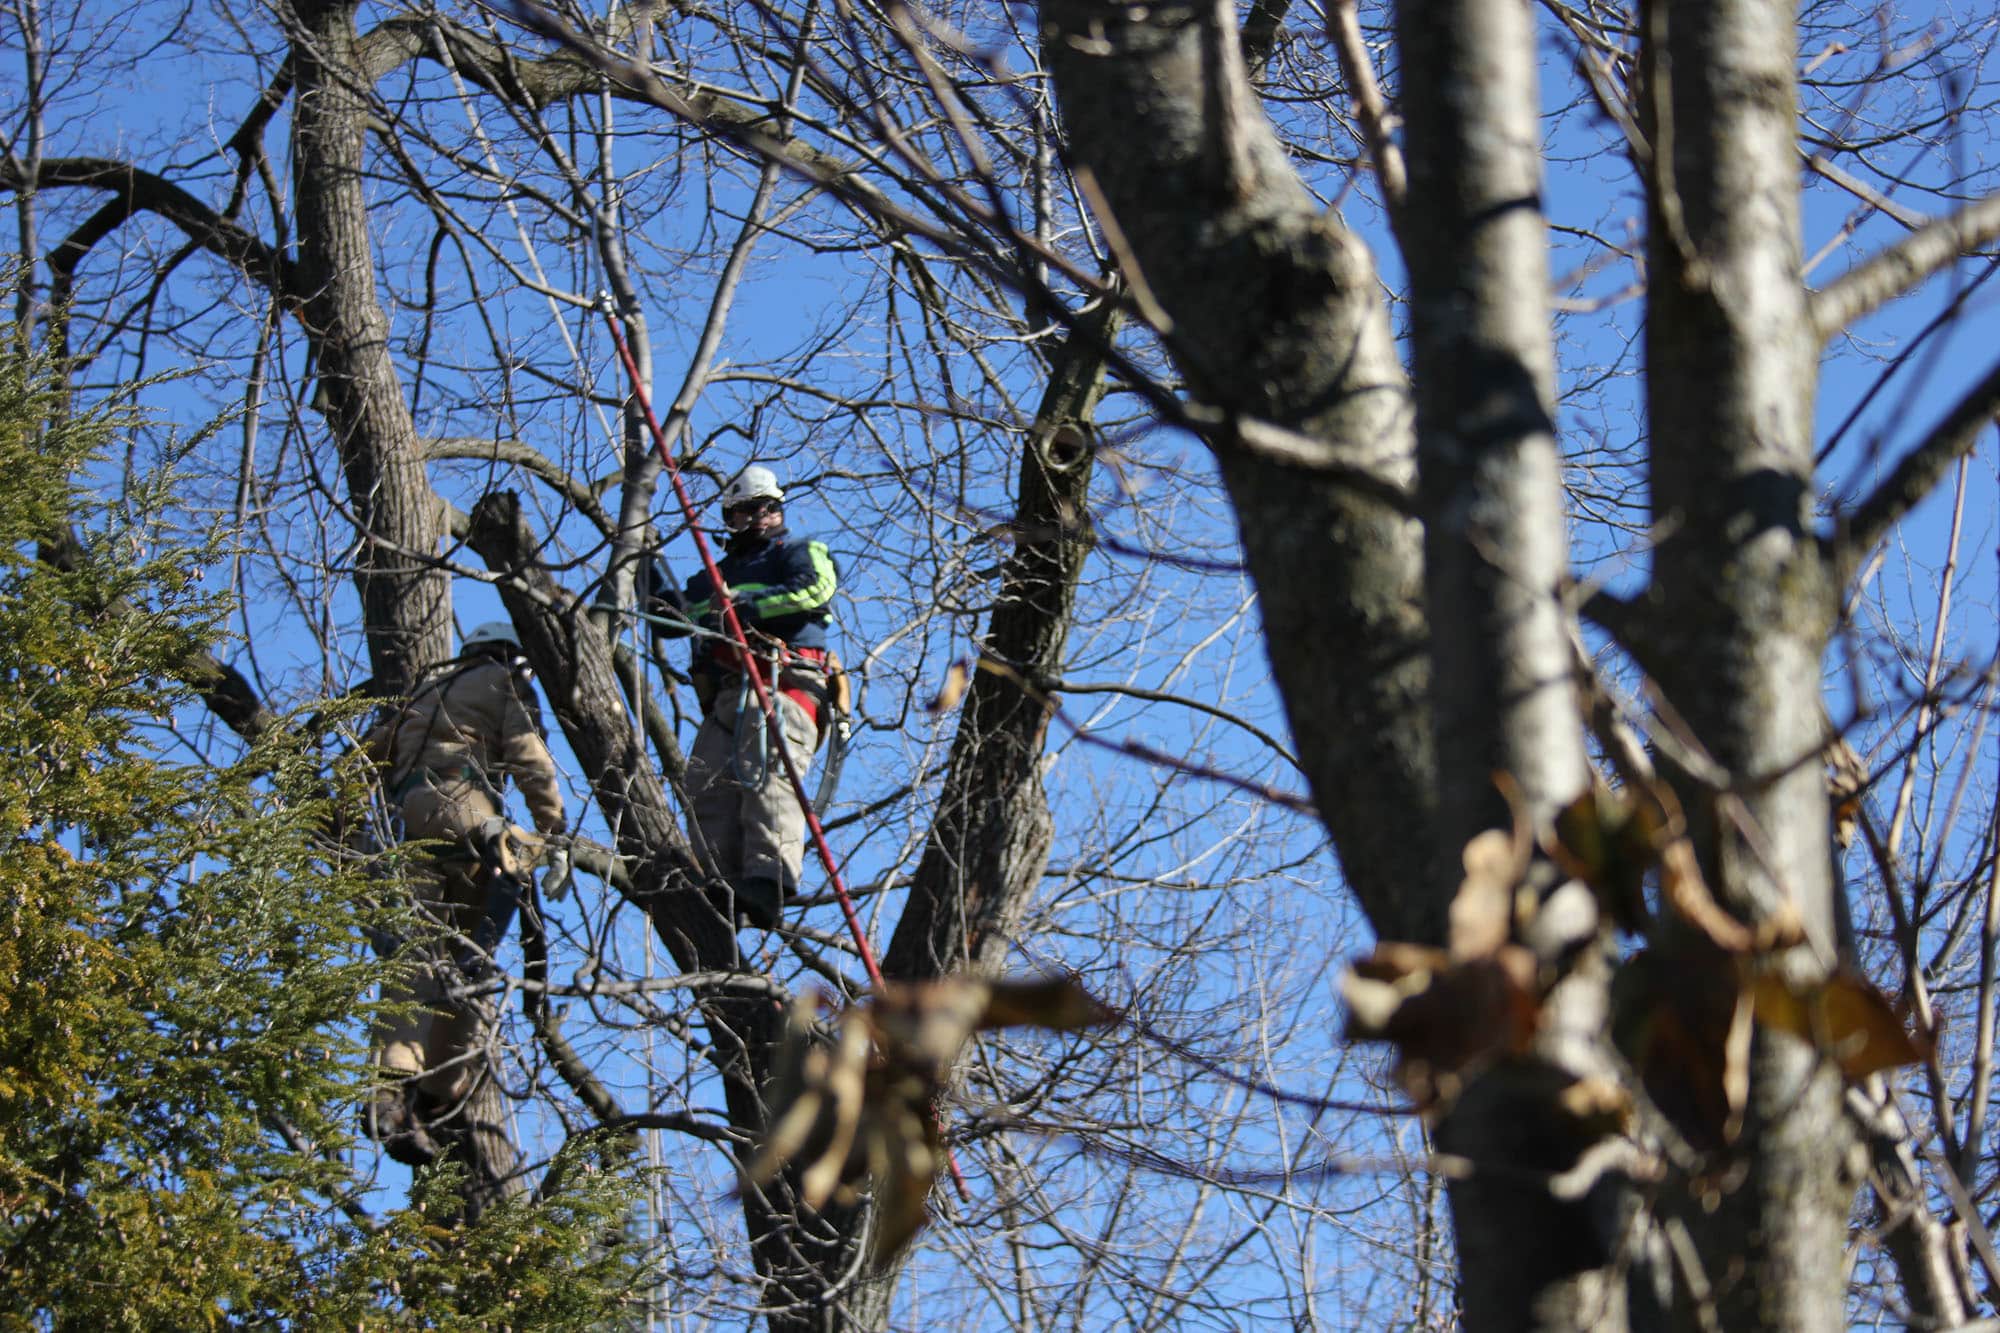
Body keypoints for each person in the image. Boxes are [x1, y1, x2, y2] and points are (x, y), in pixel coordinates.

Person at [360, 620, 567, 1166]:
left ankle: (393, 1093)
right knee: (472, 966)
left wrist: (346, 836)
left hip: (409, 826)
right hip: (464, 810)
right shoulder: (503, 681)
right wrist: (555, 831)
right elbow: (529, 756)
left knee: (420, 959)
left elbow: (362, 762)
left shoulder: (422, 693)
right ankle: (436, 1096)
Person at [645, 464, 840, 930]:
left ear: (778, 509)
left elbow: (815, 588)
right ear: (729, 518)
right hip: (728, 696)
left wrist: (743, 607)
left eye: (765, 508)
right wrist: (641, 564)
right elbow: (670, 616)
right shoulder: (716, 576)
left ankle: (767, 879)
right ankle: (721, 885)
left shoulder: (797, 552)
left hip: (783, 680)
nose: (757, 517)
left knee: (767, 769)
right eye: (745, 511)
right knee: (704, 784)